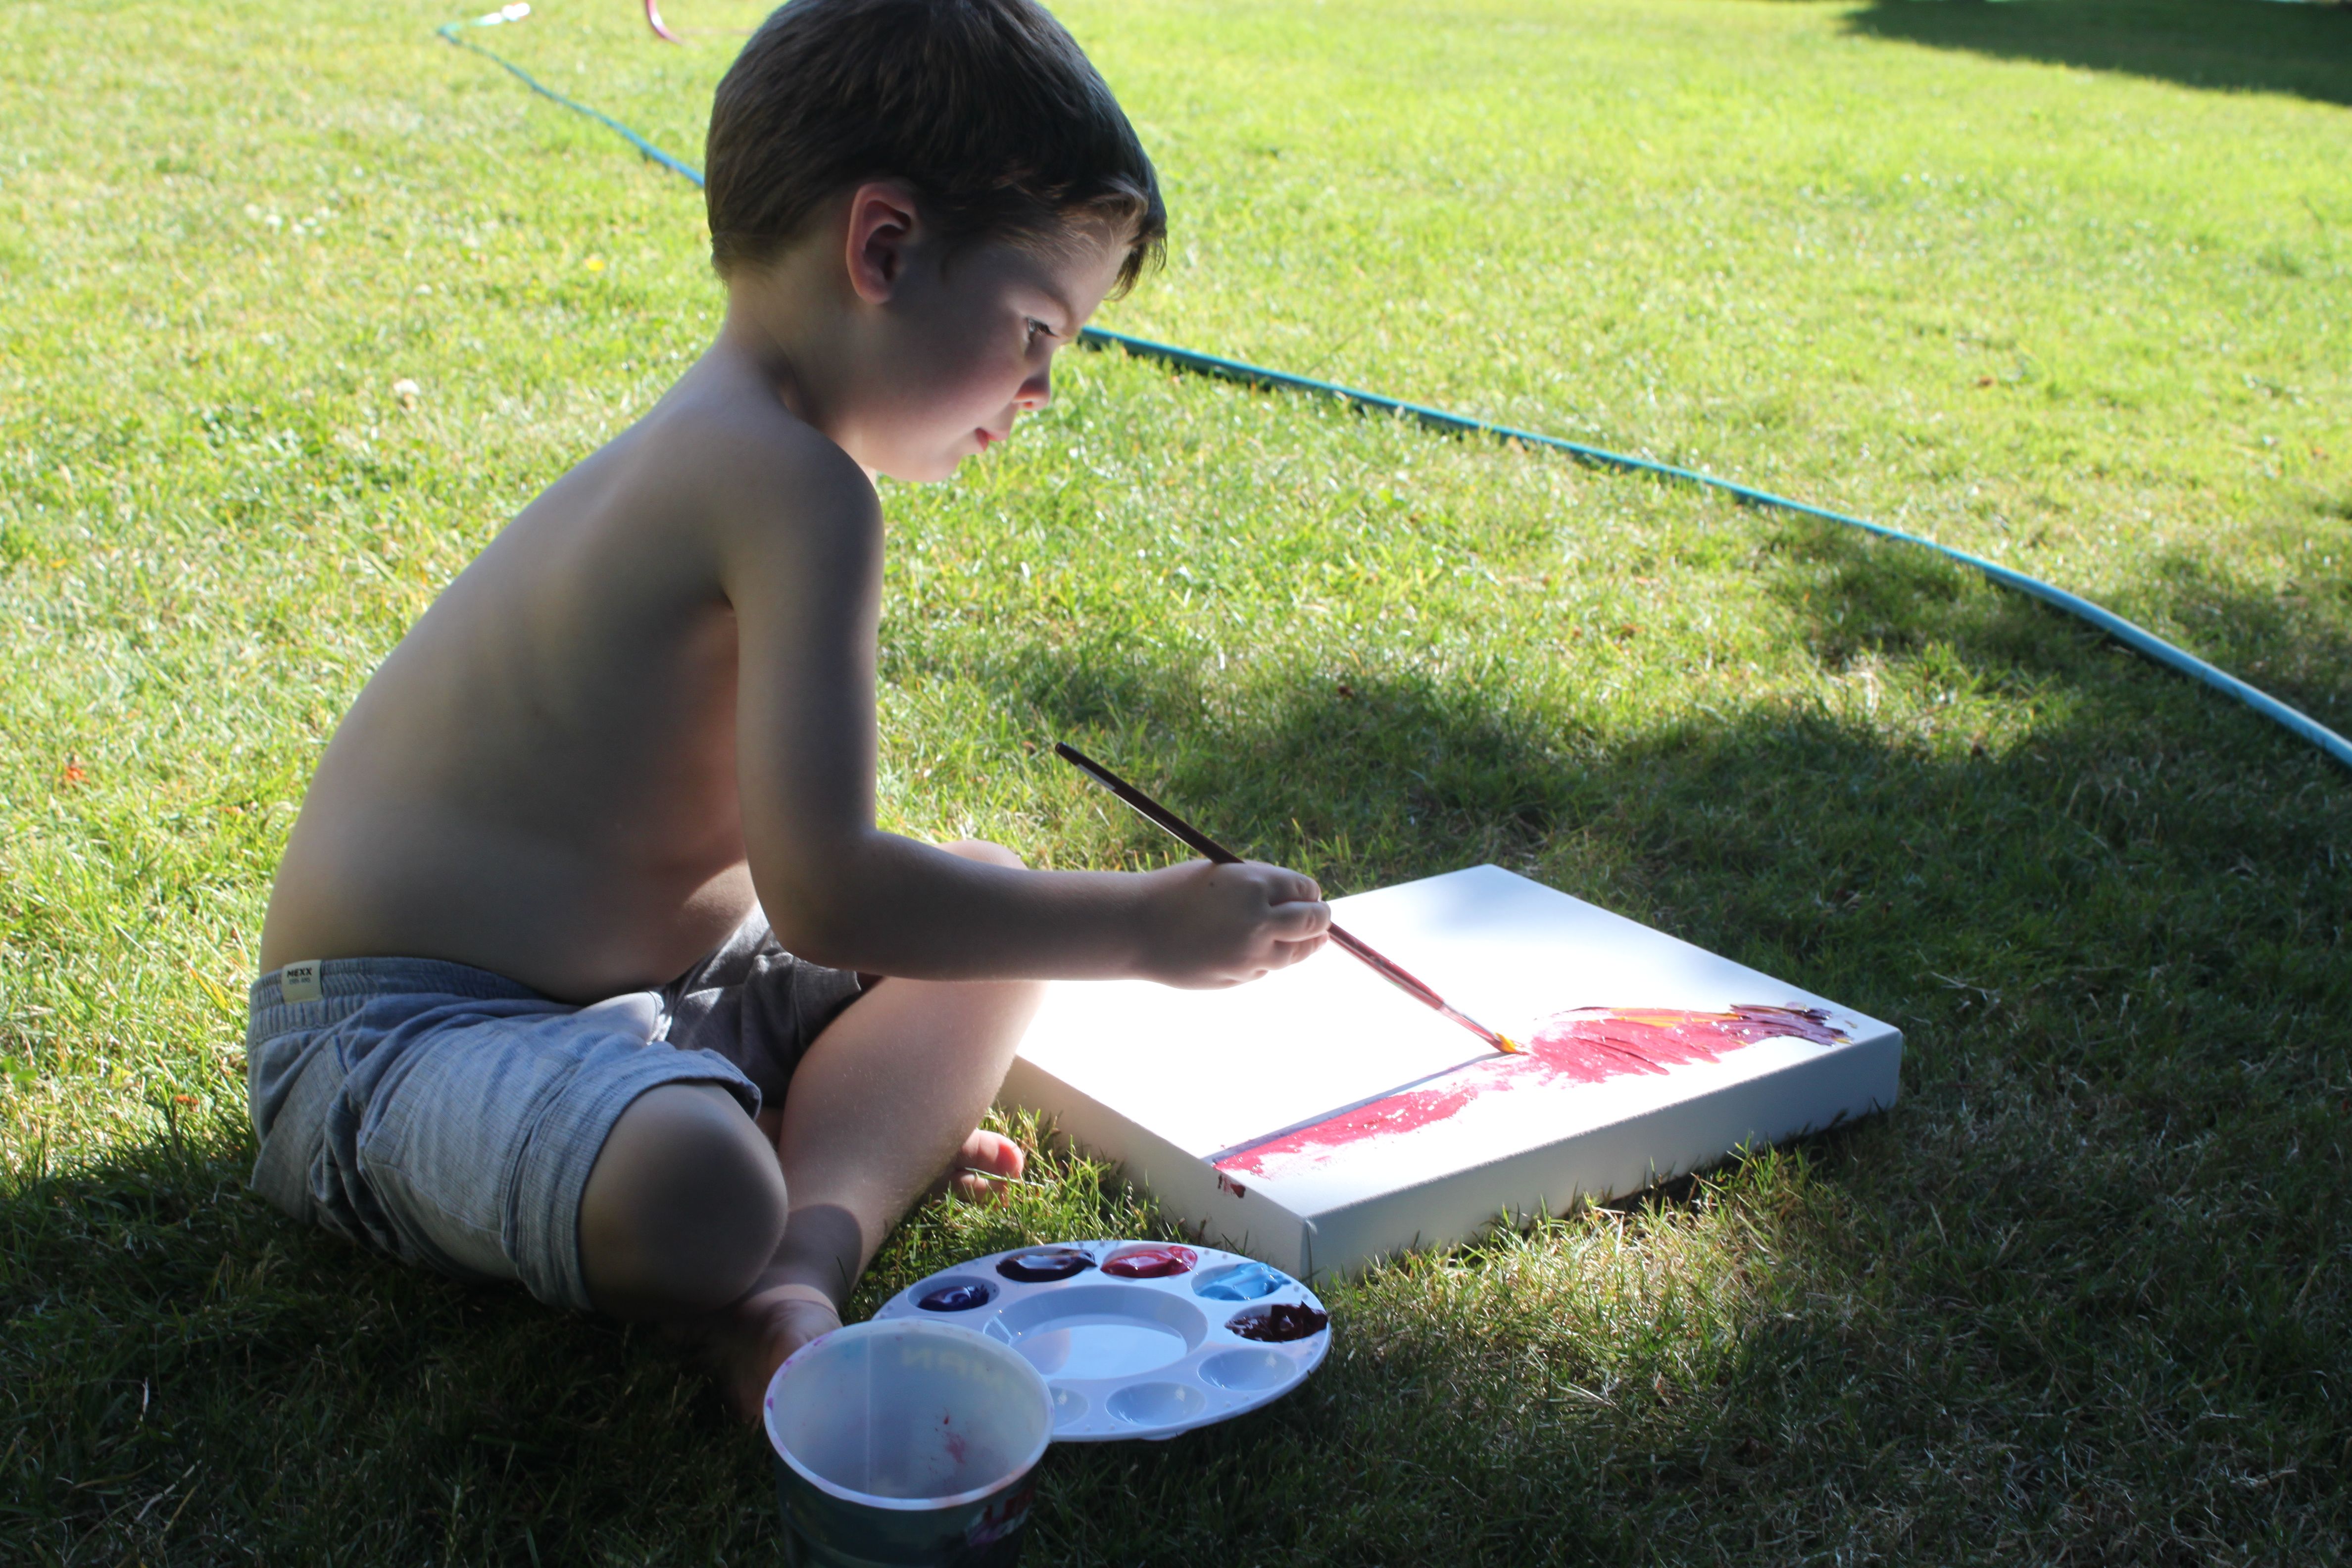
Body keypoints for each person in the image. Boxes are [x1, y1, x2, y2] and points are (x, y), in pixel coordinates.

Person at [244, 0, 1330, 1416]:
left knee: (985, 912)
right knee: (699, 1181)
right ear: (883, 249)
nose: (1043, 388)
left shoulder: (768, 457)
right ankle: (760, 1200)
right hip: (402, 1042)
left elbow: (803, 901)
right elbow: (828, 897)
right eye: (1035, 328)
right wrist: (1144, 928)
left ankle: (800, 1268)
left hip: (681, 1000)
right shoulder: (788, 483)